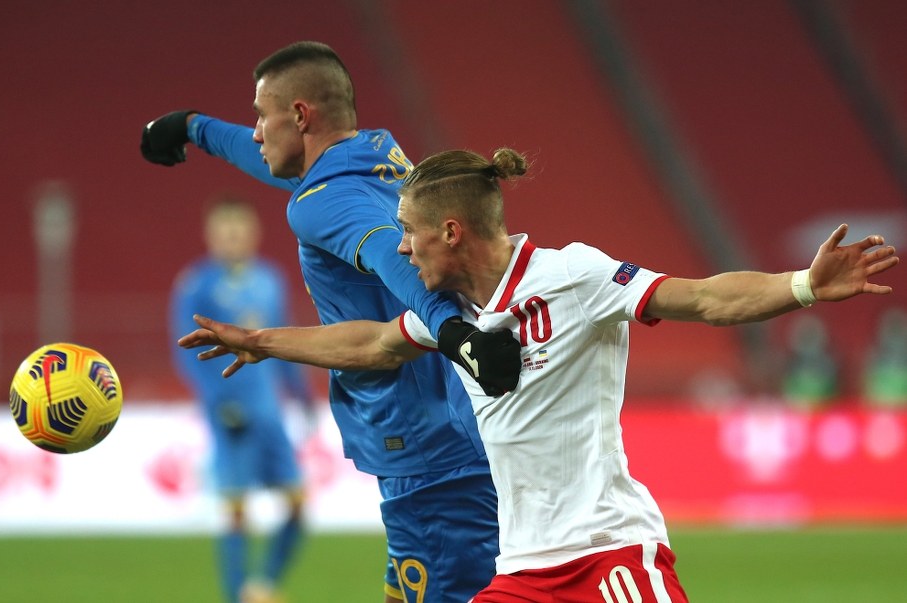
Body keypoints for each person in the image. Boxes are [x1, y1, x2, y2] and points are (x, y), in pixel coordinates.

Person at [179, 147, 899, 602]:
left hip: (607, 552)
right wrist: (265, 342)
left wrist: (801, 285)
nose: (401, 247)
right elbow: (373, 343)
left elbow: (704, 296)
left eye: (409, 232)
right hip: (522, 570)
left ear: (451, 232)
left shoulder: (573, 274)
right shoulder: (453, 314)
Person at [142, 42, 519, 603]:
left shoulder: (321, 202)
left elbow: (390, 253)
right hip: (455, 430)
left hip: (423, 448)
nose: (253, 133)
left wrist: (457, 335)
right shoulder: (377, 156)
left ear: (299, 115)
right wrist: (194, 128)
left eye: (261, 117)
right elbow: (288, 170)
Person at [169, 197, 314, 603]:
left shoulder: (270, 279)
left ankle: (263, 584)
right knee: (236, 511)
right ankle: (238, 595)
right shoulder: (196, 284)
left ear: (253, 234)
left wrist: (302, 396)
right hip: (230, 416)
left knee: (299, 506)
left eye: (239, 230)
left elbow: (283, 343)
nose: (232, 238)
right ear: (211, 236)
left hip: (270, 413)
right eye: (224, 230)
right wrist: (218, 402)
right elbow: (184, 351)